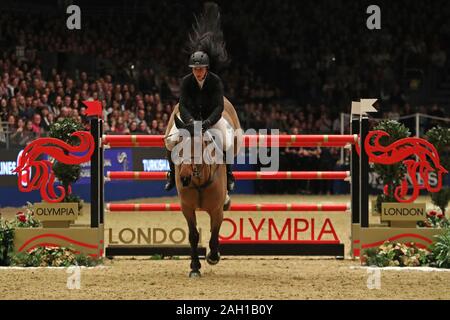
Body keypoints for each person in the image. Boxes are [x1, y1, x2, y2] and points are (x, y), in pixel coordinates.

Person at [164, 3, 235, 192]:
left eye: (200, 69)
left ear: (206, 68)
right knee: (170, 141)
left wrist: (207, 123)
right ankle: (172, 175)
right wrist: (189, 122)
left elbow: (219, 107)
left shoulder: (215, 82)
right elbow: (183, 104)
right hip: (189, 120)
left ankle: (228, 175)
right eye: (195, 69)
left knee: (227, 141)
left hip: (212, 120)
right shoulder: (186, 81)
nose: (197, 72)